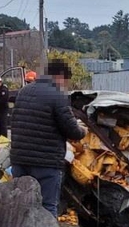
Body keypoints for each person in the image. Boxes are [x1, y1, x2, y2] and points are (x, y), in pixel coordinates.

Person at [7, 60, 86, 217]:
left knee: (22, 205)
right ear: (60, 77)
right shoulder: (57, 95)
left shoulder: (24, 92)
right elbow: (72, 130)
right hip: (46, 163)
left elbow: (14, 121)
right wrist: (83, 130)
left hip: (20, 160)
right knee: (47, 207)